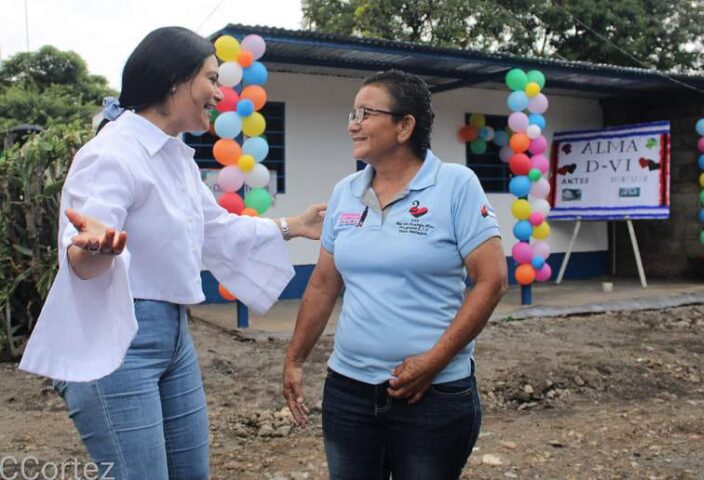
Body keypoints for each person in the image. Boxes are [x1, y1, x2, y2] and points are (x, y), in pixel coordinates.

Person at [19, 26, 325, 480]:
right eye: (211, 79)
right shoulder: (112, 153)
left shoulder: (175, 157)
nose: (220, 93)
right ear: (174, 80)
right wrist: (96, 248)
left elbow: (216, 228)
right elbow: (80, 253)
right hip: (121, 339)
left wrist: (292, 226)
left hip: (175, 338)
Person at [282, 69, 508, 479]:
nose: (354, 123)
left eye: (366, 113)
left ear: (405, 126)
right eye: (352, 113)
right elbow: (323, 283)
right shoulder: (345, 192)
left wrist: (433, 361)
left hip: (432, 395)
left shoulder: (456, 185)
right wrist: (294, 359)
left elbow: (491, 280)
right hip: (348, 392)